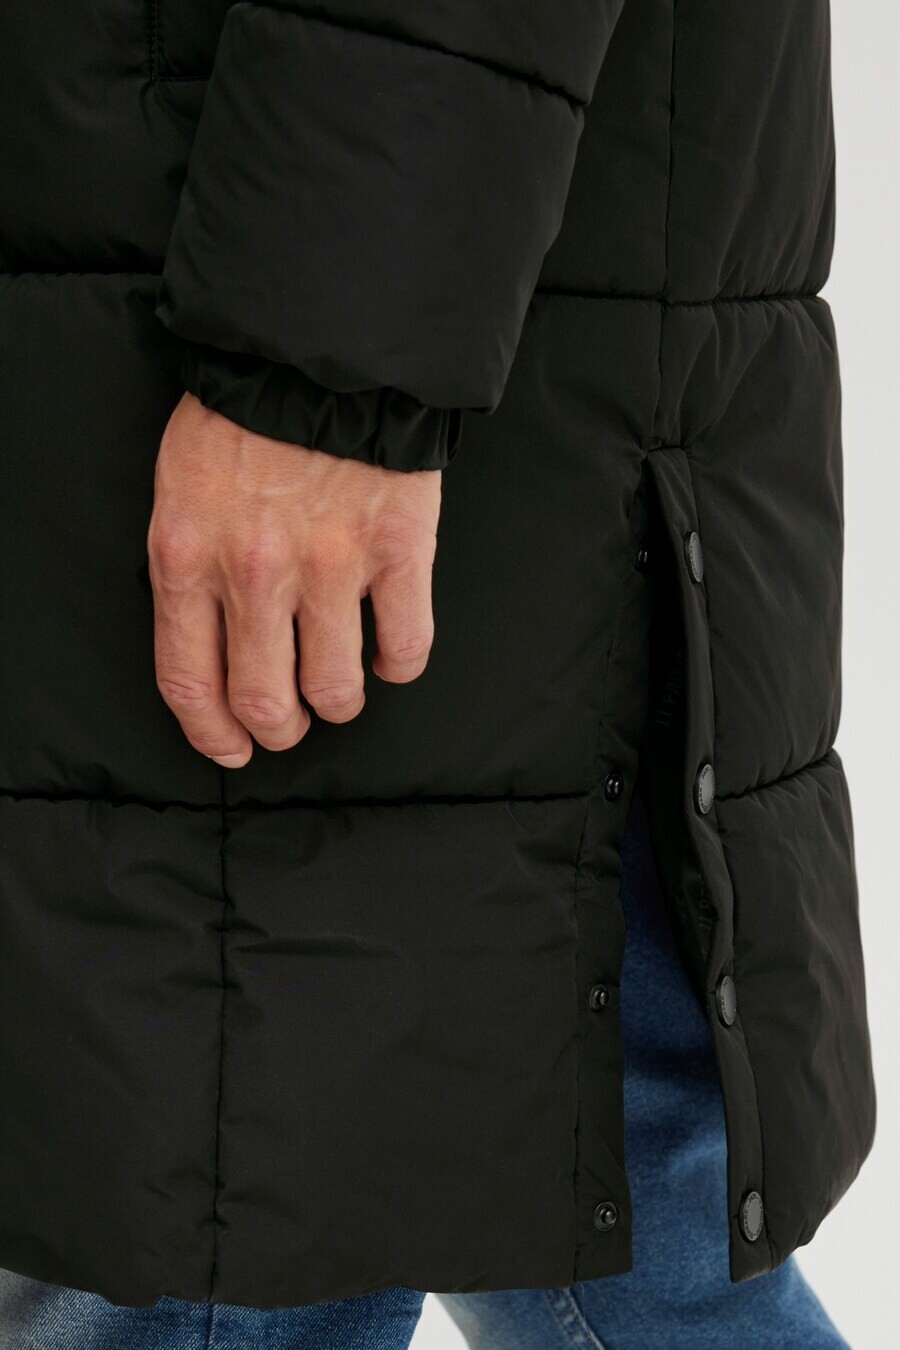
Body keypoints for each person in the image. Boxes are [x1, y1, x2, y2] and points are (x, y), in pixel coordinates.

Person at [0, 0, 876, 1346]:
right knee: (570, 1187)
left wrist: (323, 364)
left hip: (336, 378)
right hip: (247, 313)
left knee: (218, 1182)